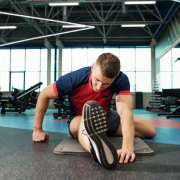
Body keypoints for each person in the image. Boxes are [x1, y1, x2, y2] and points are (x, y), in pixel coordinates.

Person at [32, 53, 156, 169]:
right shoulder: (73, 79)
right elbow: (44, 94)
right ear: (92, 67)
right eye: (97, 79)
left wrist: (127, 147)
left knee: (151, 131)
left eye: (106, 84)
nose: (99, 87)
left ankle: (100, 133)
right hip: (78, 120)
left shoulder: (121, 79)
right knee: (82, 121)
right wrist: (37, 129)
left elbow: (125, 111)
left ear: (116, 77)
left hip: (106, 117)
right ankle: (98, 152)